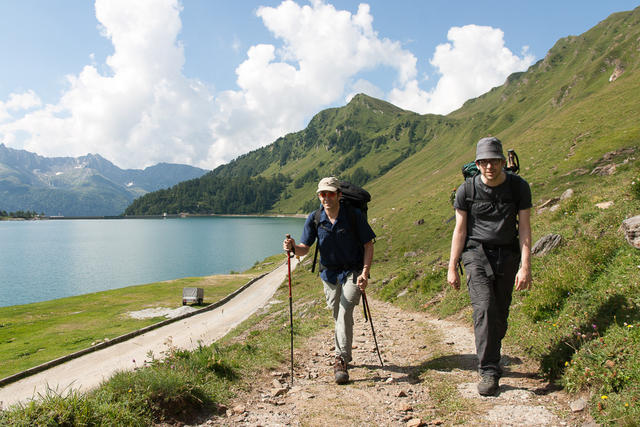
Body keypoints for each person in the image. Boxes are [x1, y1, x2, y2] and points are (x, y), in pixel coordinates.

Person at [447, 136, 532, 396]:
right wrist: (452, 266)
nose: (490, 167)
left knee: (500, 314)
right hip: (475, 255)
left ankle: (492, 351)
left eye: (494, 161)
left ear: (503, 162)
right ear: (478, 163)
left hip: (507, 255)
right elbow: (459, 230)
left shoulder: (519, 188)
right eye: (484, 162)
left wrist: (525, 266)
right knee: (483, 309)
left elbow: (525, 229)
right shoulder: (467, 191)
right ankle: (488, 369)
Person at [283, 176, 375, 384]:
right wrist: (293, 247)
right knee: (338, 313)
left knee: (344, 310)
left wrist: (365, 272)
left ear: (339, 195)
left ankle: (340, 359)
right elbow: (305, 249)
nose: (325, 198)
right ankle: (344, 352)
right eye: (322, 194)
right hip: (329, 274)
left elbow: (368, 244)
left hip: (353, 271)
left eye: (330, 193)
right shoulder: (315, 218)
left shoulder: (354, 215)